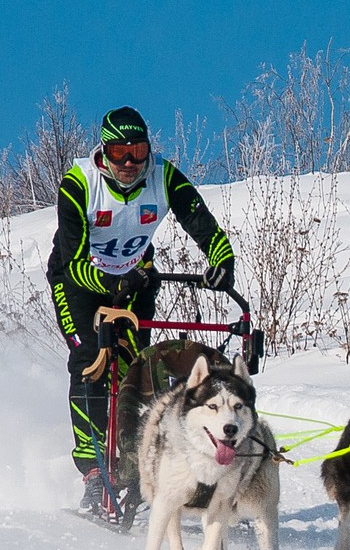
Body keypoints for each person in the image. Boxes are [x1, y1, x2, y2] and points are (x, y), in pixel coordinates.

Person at [45, 106, 235, 514]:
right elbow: (74, 261)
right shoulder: (79, 183)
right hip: (77, 281)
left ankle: (134, 463)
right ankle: (94, 471)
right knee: (89, 362)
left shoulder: (163, 176)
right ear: (103, 151)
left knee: (141, 369)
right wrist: (112, 283)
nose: (130, 162)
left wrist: (222, 261)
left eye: (138, 150)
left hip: (135, 278)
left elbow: (203, 224)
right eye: (119, 152)